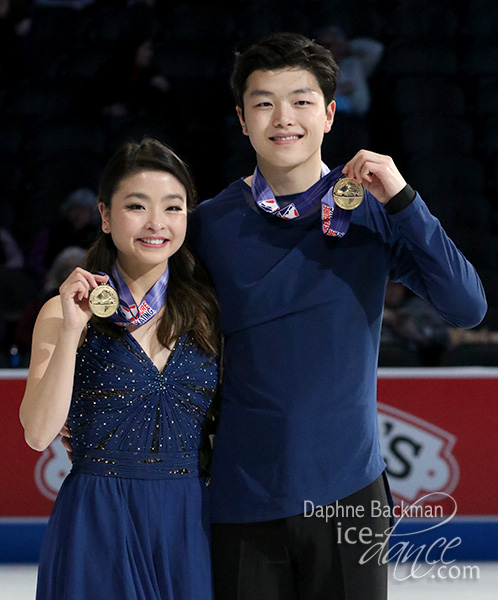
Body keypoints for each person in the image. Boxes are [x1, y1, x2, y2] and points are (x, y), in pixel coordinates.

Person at [186, 32, 487, 600]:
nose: (283, 118)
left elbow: (467, 306)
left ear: (328, 114)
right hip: (241, 495)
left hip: (352, 496)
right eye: (263, 102)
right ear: (242, 119)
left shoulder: (375, 211)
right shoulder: (207, 226)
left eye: (301, 101)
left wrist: (403, 199)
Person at [20, 138, 220, 600]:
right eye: (137, 206)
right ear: (106, 216)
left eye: (173, 208)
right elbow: (36, 433)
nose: (156, 223)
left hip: (187, 520)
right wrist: (72, 330)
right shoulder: (63, 311)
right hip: (97, 521)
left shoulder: (209, 310)